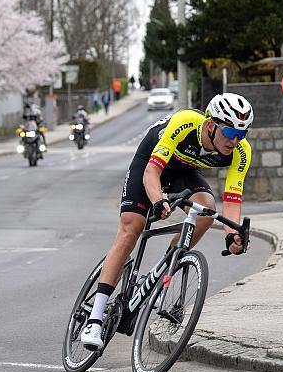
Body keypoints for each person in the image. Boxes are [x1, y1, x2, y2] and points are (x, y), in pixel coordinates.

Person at [79, 93, 254, 349]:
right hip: (150, 163)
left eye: (242, 134)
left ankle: (166, 266)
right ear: (210, 125)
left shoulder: (241, 151)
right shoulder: (185, 123)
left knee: (207, 210)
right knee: (131, 229)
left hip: (183, 172)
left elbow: (233, 199)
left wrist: (233, 233)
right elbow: (152, 171)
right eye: (229, 132)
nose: (235, 140)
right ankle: (95, 318)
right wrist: (158, 200)